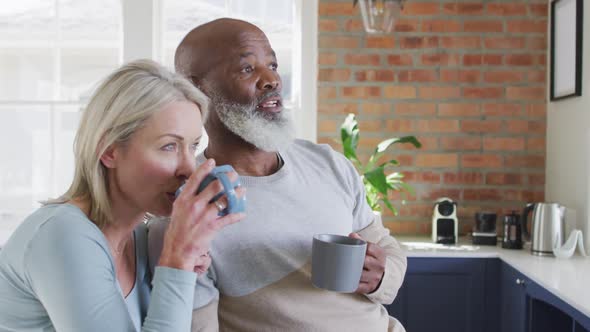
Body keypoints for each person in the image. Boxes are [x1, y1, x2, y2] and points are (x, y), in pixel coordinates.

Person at [149, 18, 407, 332]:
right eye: (247, 69)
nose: (271, 79)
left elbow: (387, 249)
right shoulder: (192, 207)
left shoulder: (326, 163)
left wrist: (380, 275)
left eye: (272, 64)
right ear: (196, 87)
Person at [0, 59, 245, 331]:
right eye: (169, 146)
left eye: (194, 145)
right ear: (109, 150)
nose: (189, 168)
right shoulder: (62, 235)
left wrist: (182, 263)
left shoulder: (141, 239)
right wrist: (178, 261)